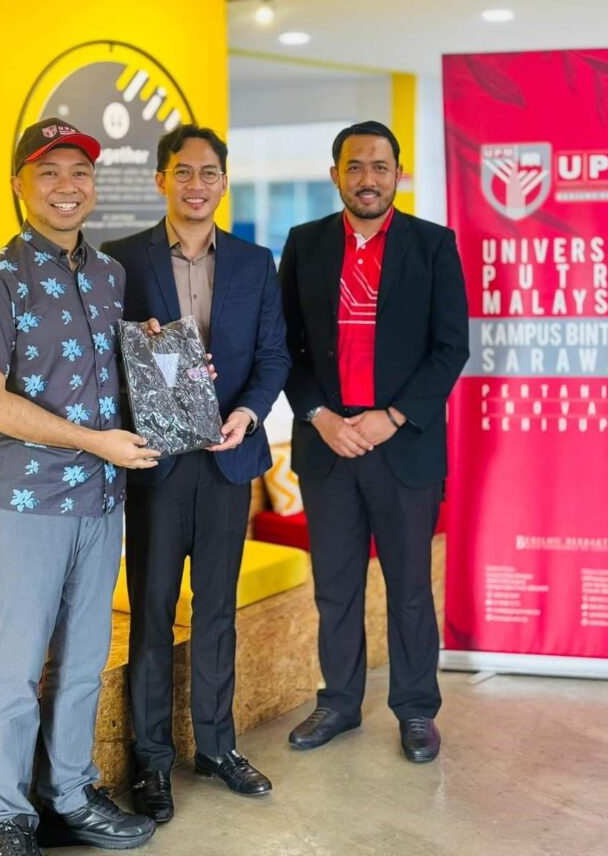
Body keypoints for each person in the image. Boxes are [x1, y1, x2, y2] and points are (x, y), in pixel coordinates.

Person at [0, 118, 160, 856]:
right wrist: (94, 443)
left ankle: (71, 794)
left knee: (82, 662)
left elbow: (104, 381)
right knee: (17, 667)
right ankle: (10, 817)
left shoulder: (109, 276)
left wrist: (159, 363)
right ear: (19, 185)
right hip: (25, 501)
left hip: (101, 501)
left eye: (79, 171)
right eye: (48, 172)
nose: (66, 186)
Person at [102, 124, 290, 824]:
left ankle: (216, 747)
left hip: (227, 462)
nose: (197, 184)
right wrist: (139, 351)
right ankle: (152, 761)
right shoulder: (122, 261)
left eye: (210, 173)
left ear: (223, 182)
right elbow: (105, 359)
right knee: (152, 614)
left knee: (216, 611)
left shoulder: (254, 262)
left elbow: (273, 356)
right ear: (161, 179)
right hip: (155, 466)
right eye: (183, 171)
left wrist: (246, 414)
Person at [279, 120, 469, 763]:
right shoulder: (304, 244)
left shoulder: (433, 245)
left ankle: (416, 710)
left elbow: (451, 347)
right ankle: (339, 702)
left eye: (380, 166)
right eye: (355, 166)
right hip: (328, 446)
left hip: (403, 446)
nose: (368, 179)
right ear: (336, 175)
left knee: (409, 588)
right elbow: (285, 347)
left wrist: (393, 416)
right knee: (335, 587)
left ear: (398, 174)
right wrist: (320, 416)